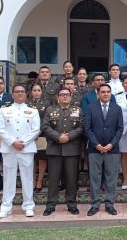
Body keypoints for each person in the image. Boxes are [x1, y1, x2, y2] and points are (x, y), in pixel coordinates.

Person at [0, 85, 40, 218]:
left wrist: (23, 143)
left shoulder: (33, 111)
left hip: (26, 149)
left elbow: (36, 129)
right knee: (9, 178)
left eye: (22, 92)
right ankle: (6, 206)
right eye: (17, 92)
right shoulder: (4, 110)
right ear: (12, 94)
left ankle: (28, 206)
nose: (19, 94)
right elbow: (0, 129)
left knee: (27, 178)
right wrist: (12, 142)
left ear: (26, 94)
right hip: (9, 148)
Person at [42, 88, 84, 216]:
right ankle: (50, 205)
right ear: (57, 97)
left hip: (71, 149)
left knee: (71, 179)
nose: (65, 96)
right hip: (54, 149)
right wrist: (58, 136)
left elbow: (81, 127)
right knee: (53, 179)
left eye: (67, 94)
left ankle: (71, 204)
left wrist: (69, 136)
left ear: (71, 97)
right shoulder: (50, 110)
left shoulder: (78, 110)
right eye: (62, 94)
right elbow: (45, 126)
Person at [85, 84, 124, 216]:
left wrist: (111, 144)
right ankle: (95, 204)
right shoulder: (91, 108)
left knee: (111, 178)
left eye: (108, 92)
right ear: (98, 94)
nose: (106, 94)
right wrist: (96, 144)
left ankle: (110, 204)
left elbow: (120, 129)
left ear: (110, 93)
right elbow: (87, 128)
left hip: (112, 149)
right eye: (103, 92)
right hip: (95, 149)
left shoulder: (117, 108)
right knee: (95, 178)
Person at [26, 83, 51, 192]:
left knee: (41, 159)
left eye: (38, 90)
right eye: (34, 90)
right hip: (28, 136)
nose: (37, 92)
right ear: (31, 92)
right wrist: (31, 133)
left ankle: (40, 181)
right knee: (31, 159)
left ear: (42, 91)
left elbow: (47, 119)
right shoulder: (27, 103)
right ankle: (33, 182)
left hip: (42, 135)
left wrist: (38, 132)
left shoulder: (46, 103)